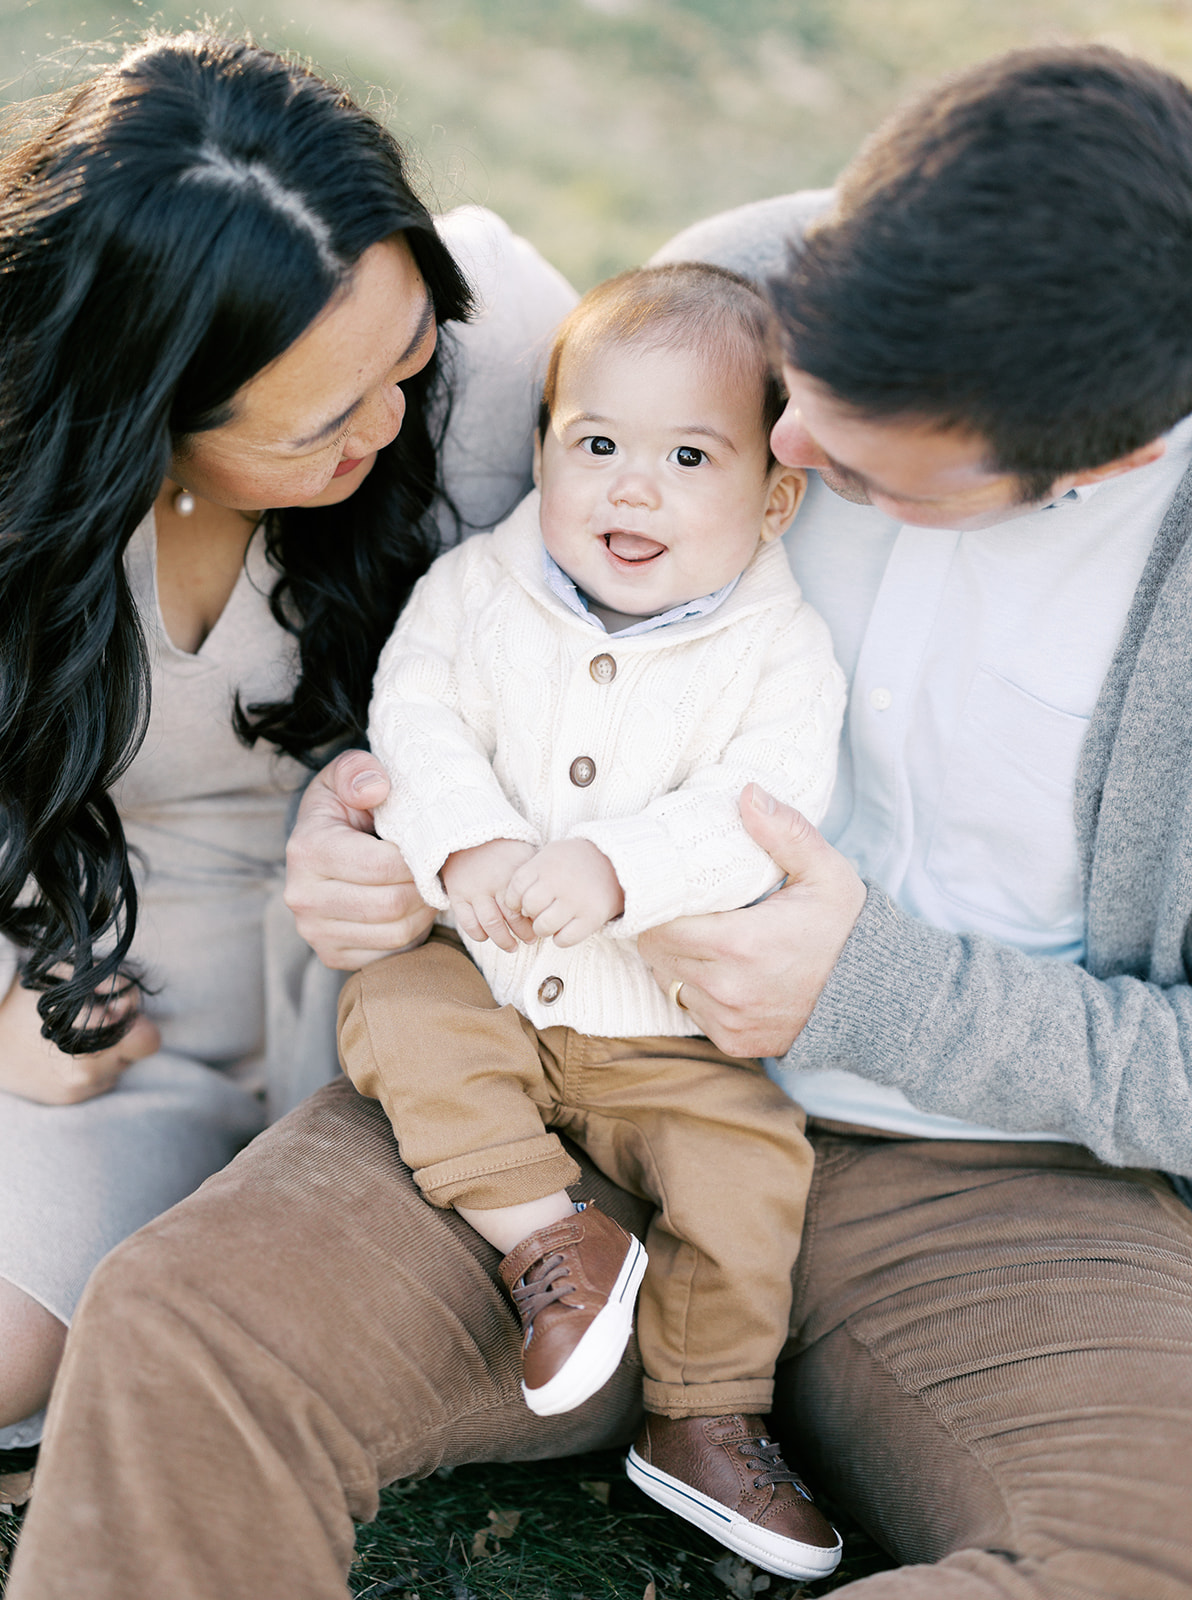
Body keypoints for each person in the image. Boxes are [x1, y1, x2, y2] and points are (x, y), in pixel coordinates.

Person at [6, 41, 1192, 1600]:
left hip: (990, 1182)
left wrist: (883, 993)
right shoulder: (734, 287)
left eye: (867, 468)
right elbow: (472, 643)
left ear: (1110, 459)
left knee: (1134, 1556)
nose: (787, 459)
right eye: (791, 401)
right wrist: (370, 830)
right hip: (550, 1074)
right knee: (184, 1336)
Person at [0, 31, 576, 1452]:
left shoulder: (507, 347)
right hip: (105, 1006)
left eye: (408, 353)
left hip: (428, 1013)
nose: (392, 418)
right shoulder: (21, 469)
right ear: (145, 419)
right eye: (323, 420)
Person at [339, 262, 846, 1579]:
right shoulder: (476, 590)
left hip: (669, 1039)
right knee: (395, 1012)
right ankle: (548, 1240)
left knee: (754, 1168)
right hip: (493, 982)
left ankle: (704, 1416)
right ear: (543, 449)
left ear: (776, 497)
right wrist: (475, 845)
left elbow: (763, 808)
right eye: (598, 443)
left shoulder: (781, 653)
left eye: (689, 455)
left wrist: (617, 867)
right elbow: (417, 721)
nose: (633, 485)